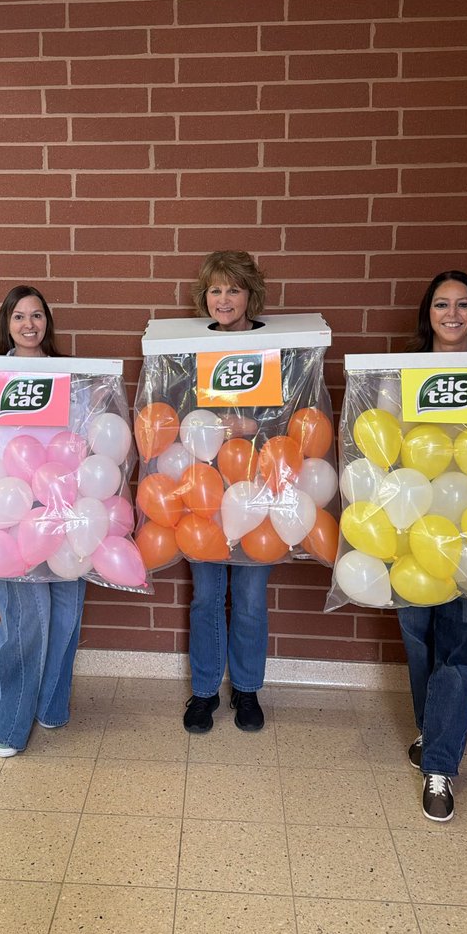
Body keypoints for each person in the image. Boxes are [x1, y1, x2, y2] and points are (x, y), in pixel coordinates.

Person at [0, 285, 87, 759]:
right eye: (19, 317)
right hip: (9, 514)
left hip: (67, 509)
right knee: (27, 621)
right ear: (6, 324)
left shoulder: (73, 377)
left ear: (48, 322)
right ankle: (8, 723)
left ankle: (51, 705)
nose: (29, 325)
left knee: (66, 614)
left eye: (37, 316)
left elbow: (85, 438)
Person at [399, 269, 467, 822]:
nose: (453, 314)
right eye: (442, 304)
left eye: (463, 304)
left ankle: (439, 765)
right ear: (429, 313)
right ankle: (430, 728)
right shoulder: (402, 375)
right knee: (419, 642)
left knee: (459, 651)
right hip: (413, 536)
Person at [183, 250, 273, 735]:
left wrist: (251, 425)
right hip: (202, 493)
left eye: (234, 289)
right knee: (207, 596)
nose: (224, 299)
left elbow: (296, 416)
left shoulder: (276, 347)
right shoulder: (191, 348)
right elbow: (174, 412)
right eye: (216, 290)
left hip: (257, 492)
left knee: (252, 598)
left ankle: (246, 689)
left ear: (250, 295)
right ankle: (203, 692)